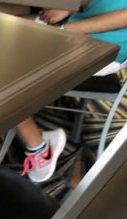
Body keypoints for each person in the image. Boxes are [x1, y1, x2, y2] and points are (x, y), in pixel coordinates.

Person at [16, 0, 127, 182]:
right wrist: (69, 8)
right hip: (74, 24)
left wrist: (64, 29)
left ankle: (38, 147)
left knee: (0, 60)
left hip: (101, 46)